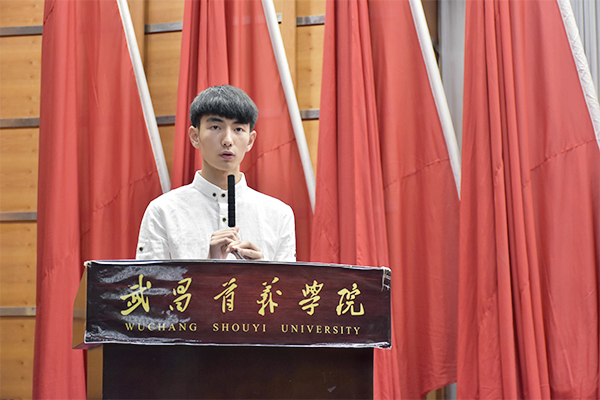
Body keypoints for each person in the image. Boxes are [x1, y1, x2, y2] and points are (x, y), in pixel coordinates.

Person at [136, 85, 296, 261]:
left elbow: (286, 280)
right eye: (215, 127)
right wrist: (209, 270)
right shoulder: (162, 211)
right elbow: (148, 279)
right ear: (195, 136)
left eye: (238, 129)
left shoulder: (279, 215)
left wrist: (260, 274)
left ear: (250, 141)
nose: (227, 140)